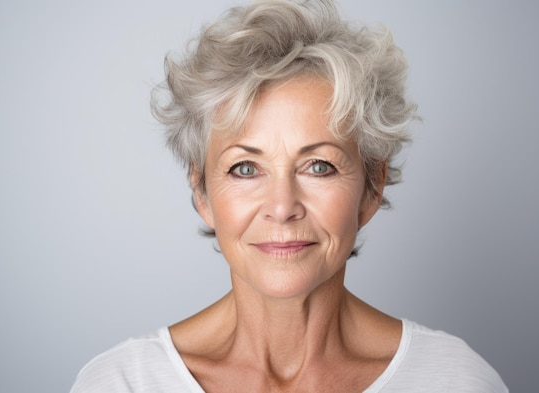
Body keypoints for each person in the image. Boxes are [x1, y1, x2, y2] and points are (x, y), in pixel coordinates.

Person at [71, 0, 508, 391]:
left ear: (371, 189)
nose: (282, 207)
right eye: (246, 168)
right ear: (202, 192)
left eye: (319, 166)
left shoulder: (456, 381)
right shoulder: (122, 383)